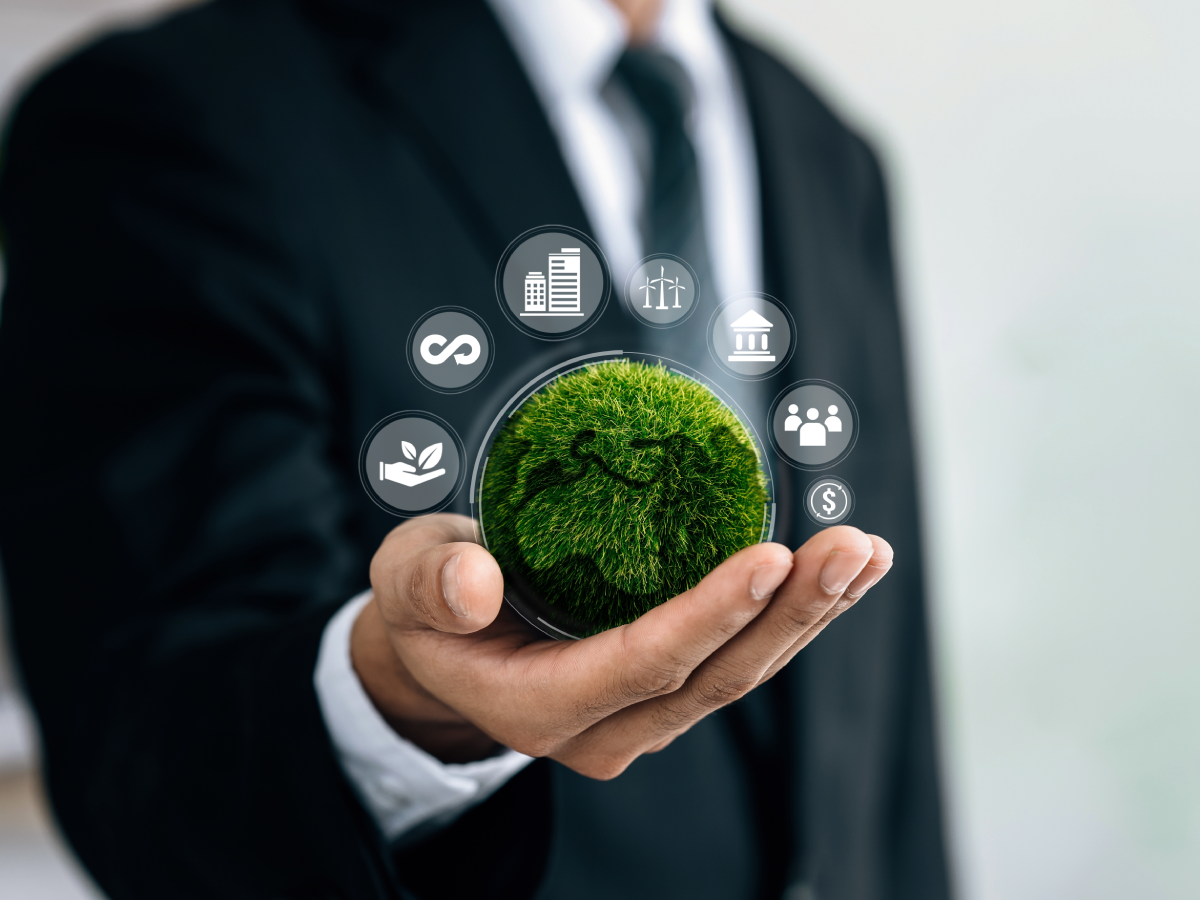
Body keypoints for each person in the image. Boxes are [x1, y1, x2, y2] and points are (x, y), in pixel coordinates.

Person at [0, 0, 950, 898]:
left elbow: (884, 698)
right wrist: (408, 704)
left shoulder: (826, 148)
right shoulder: (180, 110)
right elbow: (148, 747)